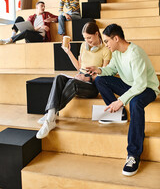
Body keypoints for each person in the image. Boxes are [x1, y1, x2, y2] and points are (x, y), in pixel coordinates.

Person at [86, 23, 160, 177]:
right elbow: (111, 70)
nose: (106, 45)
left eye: (107, 41)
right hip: (131, 86)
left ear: (116, 38)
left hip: (147, 89)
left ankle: (133, 155)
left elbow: (140, 85)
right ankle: (120, 115)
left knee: (135, 102)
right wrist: (98, 70)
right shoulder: (117, 53)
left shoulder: (135, 53)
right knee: (100, 79)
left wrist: (120, 101)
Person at [36, 22, 111, 139]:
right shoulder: (83, 46)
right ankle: (51, 117)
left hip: (92, 84)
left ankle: (49, 116)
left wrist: (87, 78)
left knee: (73, 82)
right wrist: (68, 51)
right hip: (79, 78)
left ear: (97, 34)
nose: (87, 41)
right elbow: (78, 67)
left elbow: (105, 74)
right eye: (85, 38)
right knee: (59, 78)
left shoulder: (106, 50)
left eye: (89, 38)